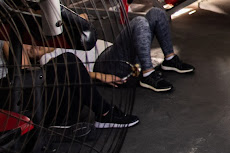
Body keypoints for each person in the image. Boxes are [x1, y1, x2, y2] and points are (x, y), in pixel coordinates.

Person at [39, 7, 195, 93]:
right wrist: (100, 76)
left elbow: (84, 18)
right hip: (104, 64)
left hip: (115, 51)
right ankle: (147, 74)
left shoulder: (64, 33)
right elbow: (62, 71)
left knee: (156, 13)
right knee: (139, 21)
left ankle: (169, 59)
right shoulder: (50, 56)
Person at [0, 40, 139, 128]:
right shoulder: (7, 42)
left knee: (70, 73)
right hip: (11, 96)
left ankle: (101, 113)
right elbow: (25, 77)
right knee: (67, 62)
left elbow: (26, 73)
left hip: (26, 95)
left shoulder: (9, 38)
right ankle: (105, 112)